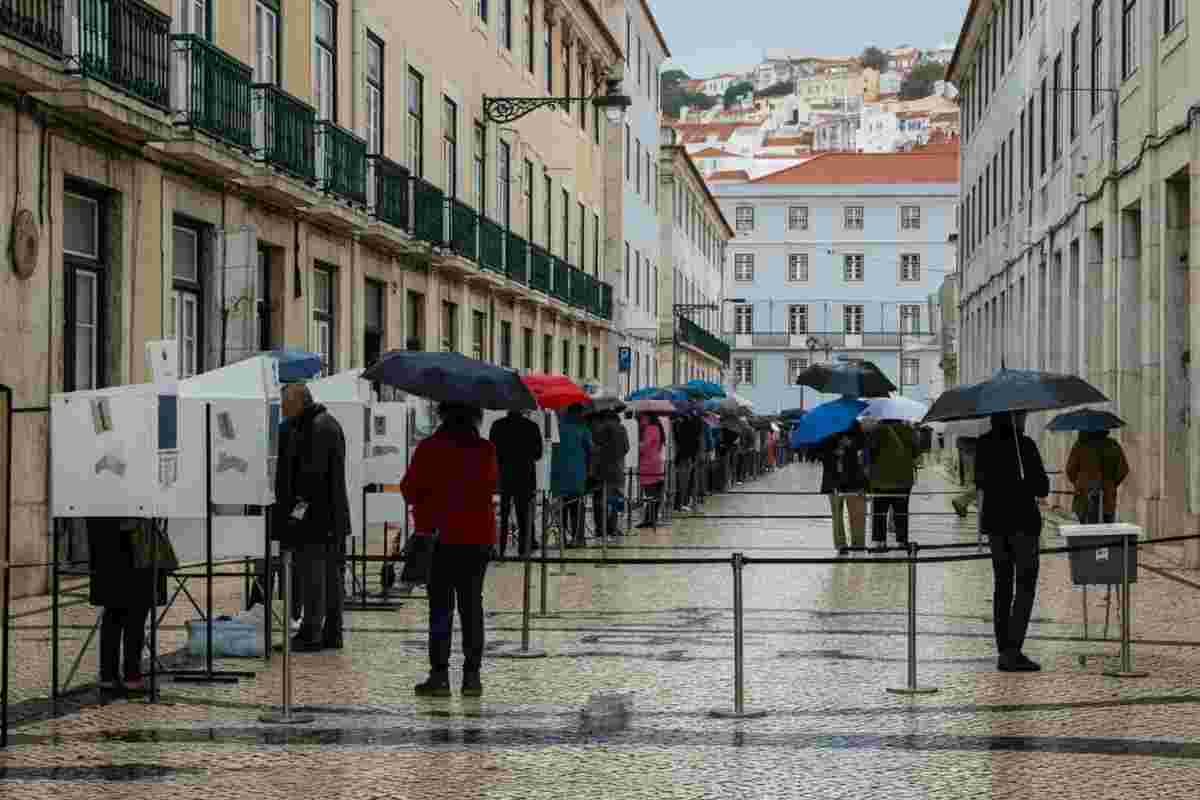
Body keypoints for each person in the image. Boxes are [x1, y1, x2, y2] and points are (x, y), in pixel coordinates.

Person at [401, 403, 498, 697]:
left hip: (439, 538)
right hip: (477, 538)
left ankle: (440, 677)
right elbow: (492, 485)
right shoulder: (485, 450)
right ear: (476, 417)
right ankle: (472, 678)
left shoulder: (429, 448)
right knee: (472, 606)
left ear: (442, 415)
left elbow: (409, 489)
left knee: (440, 608)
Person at [274, 383, 351, 652]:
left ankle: (311, 633)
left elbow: (310, 479)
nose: (283, 410)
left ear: (299, 402)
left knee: (314, 576)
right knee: (331, 577)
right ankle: (332, 633)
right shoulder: (326, 423)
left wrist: (295, 515)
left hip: (317, 519)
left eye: (285, 404)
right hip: (331, 517)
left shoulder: (315, 428)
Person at [976, 411, 1050, 673]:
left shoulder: (983, 445)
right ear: (1014, 418)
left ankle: (1003, 648)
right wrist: (1023, 480)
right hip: (1022, 525)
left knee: (1002, 586)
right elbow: (1042, 487)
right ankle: (1012, 651)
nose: (1025, 419)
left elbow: (980, 481)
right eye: (1022, 415)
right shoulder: (1025, 445)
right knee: (1025, 586)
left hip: (996, 525)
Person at [87, 518, 170, 693]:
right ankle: (131, 677)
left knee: (113, 617)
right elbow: (132, 523)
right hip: (135, 558)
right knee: (134, 618)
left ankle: (108, 676)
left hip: (107, 558)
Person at [488, 410, 544, 555]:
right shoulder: (531, 426)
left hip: (505, 476)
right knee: (524, 513)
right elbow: (538, 454)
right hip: (525, 476)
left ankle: (501, 548)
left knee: (503, 514)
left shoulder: (497, 426)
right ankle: (524, 547)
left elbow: (492, 452)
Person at [866, 419, 918, 550]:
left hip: (880, 480)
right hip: (903, 479)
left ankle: (880, 541)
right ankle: (902, 541)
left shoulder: (876, 431)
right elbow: (916, 452)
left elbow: (869, 453)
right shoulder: (908, 430)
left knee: (879, 511)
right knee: (901, 512)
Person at [819, 422, 868, 555]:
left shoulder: (853, 424)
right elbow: (817, 452)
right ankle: (841, 545)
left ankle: (858, 545)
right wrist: (832, 450)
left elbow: (863, 443)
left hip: (853, 478)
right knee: (837, 515)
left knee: (857, 513)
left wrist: (850, 443)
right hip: (833, 478)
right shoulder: (825, 427)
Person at [1065, 430, 1130, 524]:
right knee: (1107, 528)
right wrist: (1111, 484)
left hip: (1084, 496)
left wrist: (1079, 483)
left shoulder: (1080, 445)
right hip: (1107, 497)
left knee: (1085, 528)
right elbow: (1123, 470)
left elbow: (1070, 470)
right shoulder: (1112, 444)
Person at [551, 404, 592, 547]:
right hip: (577, 474)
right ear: (579, 413)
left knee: (561, 508)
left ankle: (562, 538)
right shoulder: (582, 429)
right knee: (577, 507)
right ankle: (578, 538)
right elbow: (590, 450)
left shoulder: (557, 428)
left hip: (557, 475)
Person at [588, 408, 630, 538]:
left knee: (600, 500)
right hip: (617, 470)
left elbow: (594, 448)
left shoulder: (598, 429)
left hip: (601, 470)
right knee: (615, 500)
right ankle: (613, 527)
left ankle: (601, 528)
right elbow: (626, 448)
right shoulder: (622, 429)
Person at [637, 413, 667, 528]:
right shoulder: (657, 428)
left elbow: (645, 446)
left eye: (642, 417)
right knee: (654, 493)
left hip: (648, 463)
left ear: (648, 417)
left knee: (650, 493)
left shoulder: (650, 428)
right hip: (655, 462)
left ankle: (649, 519)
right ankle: (651, 518)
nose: (640, 420)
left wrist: (636, 446)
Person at [672, 413, 703, 512]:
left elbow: (679, 440)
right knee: (687, 481)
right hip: (688, 456)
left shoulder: (680, 425)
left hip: (682, 456)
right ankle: (685, 503)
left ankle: (680, 503)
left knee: (682, 481)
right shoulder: (694, 425)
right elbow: (696, 442)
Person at [951, 435, 980, 517]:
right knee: (979, 481)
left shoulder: (963, 429)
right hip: (974, 450)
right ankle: (961, 501)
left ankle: (963, 505)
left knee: (970, 481)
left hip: (965, 449)